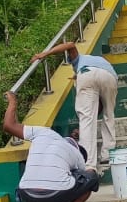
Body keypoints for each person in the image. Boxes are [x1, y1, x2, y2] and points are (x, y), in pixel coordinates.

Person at [2, 91, 97, 202]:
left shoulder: (42, 132)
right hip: (56, 193)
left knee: (34, 176)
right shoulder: (76, 154)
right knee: (91, 178)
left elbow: (8, 125)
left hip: (27, 193)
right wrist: (90, 169)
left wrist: (12, 102)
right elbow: (83, 176)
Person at [31, 39, 118, 170]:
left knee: (86, 119)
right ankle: (108, 154)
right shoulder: (99, 61)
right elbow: (99, 105)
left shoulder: (78, 60)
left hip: (86, 73)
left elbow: (70, 45)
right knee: (109, 115)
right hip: (109, 76)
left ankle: (88, 163)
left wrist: (45, 53)